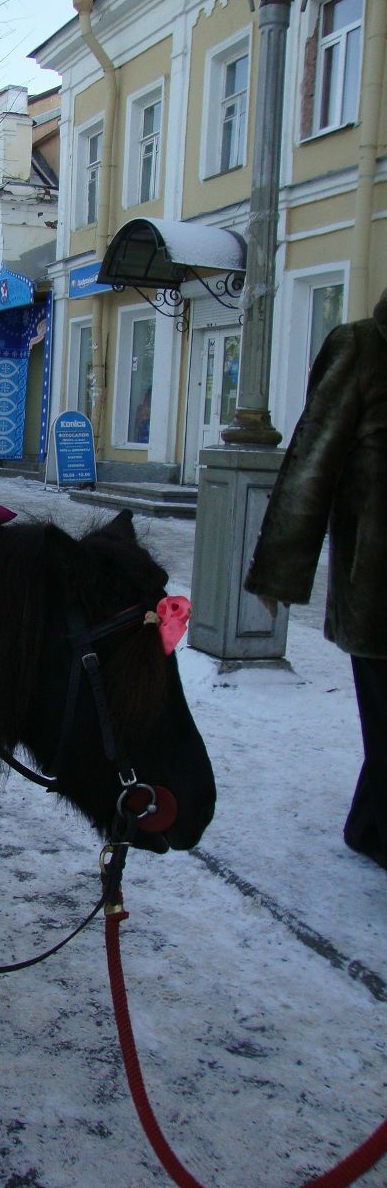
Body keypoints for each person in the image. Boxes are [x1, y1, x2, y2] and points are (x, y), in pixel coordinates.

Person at [245, 289, 387, 871]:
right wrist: (279, 573)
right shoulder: (362, 347)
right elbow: (311, 464)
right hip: (379, 592)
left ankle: (369, 826)